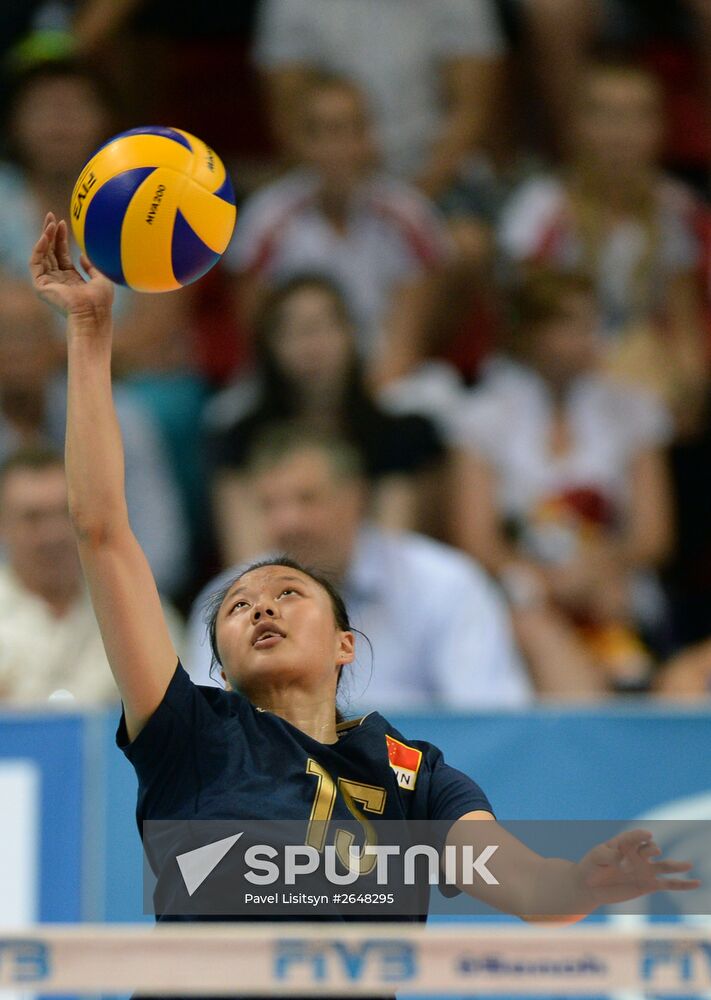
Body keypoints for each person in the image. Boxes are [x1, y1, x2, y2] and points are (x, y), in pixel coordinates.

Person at [29, 211, 698, 949]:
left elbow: (532, 890)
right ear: (216, 662)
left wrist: (581, 882)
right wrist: (89, 335)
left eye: (288, 594)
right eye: (237, 606)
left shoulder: (411, 775)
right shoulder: (189, 733)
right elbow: (101, 529)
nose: (259, 607)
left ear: (346, 644)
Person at [189, 426, 532, 711]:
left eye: (306, 499)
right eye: (270, 506)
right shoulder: (229, 603)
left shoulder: (447, 583)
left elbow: (490, 720)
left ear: (355, 497)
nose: (287, 522)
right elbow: (213, 729)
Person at [448, 270, 674, 694]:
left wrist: (599, 568)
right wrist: (541, 582)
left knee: (614, 603)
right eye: (569, 323)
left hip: (612, 590)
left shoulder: (635, 411)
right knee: (532, 623)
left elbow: (653, 535)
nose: (588, 336)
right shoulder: (481, 417)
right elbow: (475, 540)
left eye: (593, 322)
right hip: (520, 594)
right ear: (532, 333)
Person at [498, 60, 706, 427]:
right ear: (576, 126)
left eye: (636, 117)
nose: (620, 133)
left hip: (643, 377)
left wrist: (691, 388)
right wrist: (615, 374)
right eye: (605, 115)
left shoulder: (676, 210)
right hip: (550, 380)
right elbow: (531, 329)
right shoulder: (540, 209)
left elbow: (686, 322)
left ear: (660, 129)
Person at [225, 74, 451, 380]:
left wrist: (357, 410)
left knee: (435, 402)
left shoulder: (410, 217)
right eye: (324, 133)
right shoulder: (266, 219)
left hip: (384, 379)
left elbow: (406, 344)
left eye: (350, 130)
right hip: (291, 380)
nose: (339, 148)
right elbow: (258, 339)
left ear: (370, 138)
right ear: (299, 143)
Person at [206, 274, 445, 561]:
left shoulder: (397, 434)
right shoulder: (239, 439)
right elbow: (246, 560)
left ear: (353, 334)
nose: (311, 345)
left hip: (373, 592)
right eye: (293, 330)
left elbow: (394, 552)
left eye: (323, 327)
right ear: (268, 345)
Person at [0, 277, 189, 596]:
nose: (17, 351)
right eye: (5, 336)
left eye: (29, 335)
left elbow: (162, 543)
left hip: (117, 603)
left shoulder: (115, 414)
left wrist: (100, 605)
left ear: (56, 343)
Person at [254, 0, 505, 197]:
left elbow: (472, 113)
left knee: (467, 245)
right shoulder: (290, 4)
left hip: (437, 179)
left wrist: (411, 201)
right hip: (330, 180)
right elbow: (289, 115)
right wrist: (342, 191)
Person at [0, 446, 118, 704]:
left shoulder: (135, 615)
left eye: (66, 514)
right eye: (32, 517)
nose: (53, 534)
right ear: (3, 524)